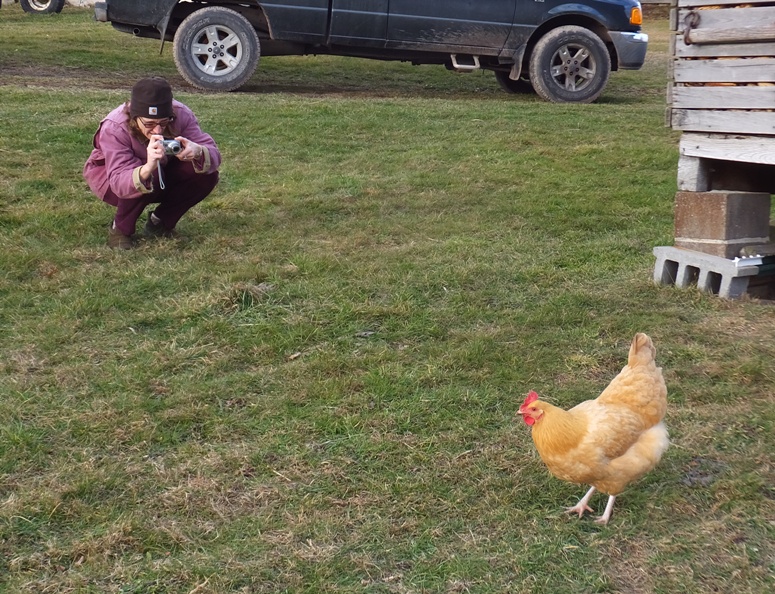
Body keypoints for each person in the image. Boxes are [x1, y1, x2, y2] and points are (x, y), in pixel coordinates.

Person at [83, 77, 221, 249]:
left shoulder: (181, 113)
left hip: (162, 172)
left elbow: (215, 155)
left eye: (164, 123)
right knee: (150, 173)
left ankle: (160, 222)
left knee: (206, 175)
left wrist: (198, 151)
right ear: (135, 117)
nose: (157, 130)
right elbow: (118, 181)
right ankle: (120, 229)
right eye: (149, 124)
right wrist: (147, 167)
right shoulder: (114, 127)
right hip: (110, 179)